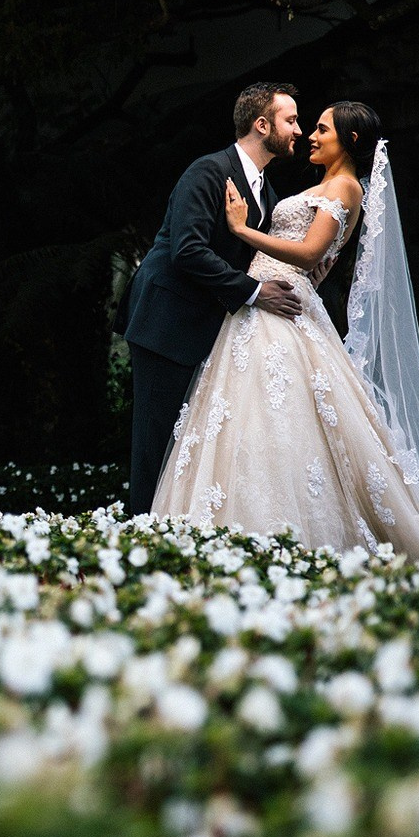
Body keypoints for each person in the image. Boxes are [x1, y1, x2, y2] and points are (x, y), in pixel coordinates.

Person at [148, 101, 419, 552]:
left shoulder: (346, 187)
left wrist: (240, 229)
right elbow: (317, 256)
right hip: (261, 302)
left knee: (281, 413)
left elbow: (311, 252)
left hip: (279, 305)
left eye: (320, 128)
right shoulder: (318, 186)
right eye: (302, 124)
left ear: (350, 140)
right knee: (247, 417)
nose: (309, 135)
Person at [117, 83, 307, 516]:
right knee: (157, 444)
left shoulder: (266, 192)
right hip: (166, 323)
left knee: (190, 446)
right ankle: (142, 543)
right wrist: (256, 293)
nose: (298, 130)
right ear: (262, 125)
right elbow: (187, 250)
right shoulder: (207, 171)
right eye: (290, 120)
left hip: (208, 328)